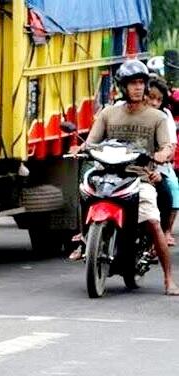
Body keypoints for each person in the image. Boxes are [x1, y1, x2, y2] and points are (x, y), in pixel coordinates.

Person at [70, 60, 179, 296]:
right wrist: (82, 148)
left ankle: (169, 279)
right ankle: (84, 238)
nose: (138, 88)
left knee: (152, 220)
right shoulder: (109, 113)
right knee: (84, 188)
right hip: (107, 173)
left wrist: (162, 154)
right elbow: (92, 141)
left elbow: (167, 147)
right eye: (133, 83)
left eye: (141, 83)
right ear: (123, 86)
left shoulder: (157, 118)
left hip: (139, 179)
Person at [147, 77, 179, 246]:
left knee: (170, 189)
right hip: (125, 163)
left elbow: (171, 146)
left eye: (159, 99)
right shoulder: (118, 109)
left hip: (156, 165)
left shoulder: (164, 116)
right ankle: (85, 238)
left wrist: (162, 155)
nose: (154, 103)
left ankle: (164, 232)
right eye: (150, 97)